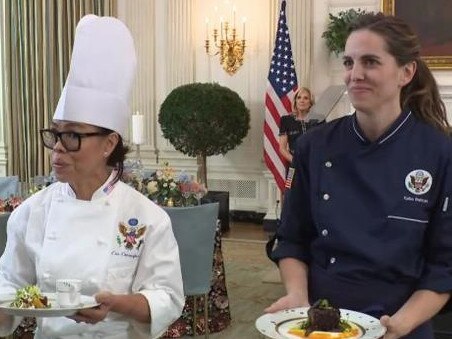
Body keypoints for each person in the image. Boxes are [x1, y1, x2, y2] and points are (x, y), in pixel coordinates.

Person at [266, 12, 452, 339]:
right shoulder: (315, 146)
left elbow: (444, 265)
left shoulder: (439, 153)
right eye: (349, 62)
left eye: (370, 62)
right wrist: (297, 296)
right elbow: (292, 238)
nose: (355, 75)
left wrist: (403, 323)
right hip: (323, 320)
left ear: (406, 72)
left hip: (403, 320)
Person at [0, 15, 184, 339]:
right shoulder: (31, 213)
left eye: (72, 137)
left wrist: (118, 304)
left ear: (109, 143)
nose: (57, 149)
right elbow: (9, 288)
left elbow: (167, 298)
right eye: (55, 135)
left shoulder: (145, 217)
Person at [278, 87, 320, 165]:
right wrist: (295, 161)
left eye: (306, 98)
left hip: (313, 164)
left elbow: (323, 145)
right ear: (295, 101)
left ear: (310, 102)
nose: (302, 101)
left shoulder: (319, 119)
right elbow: (282, 148)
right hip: (294, 164)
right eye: (299, 97)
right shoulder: (286, 120)